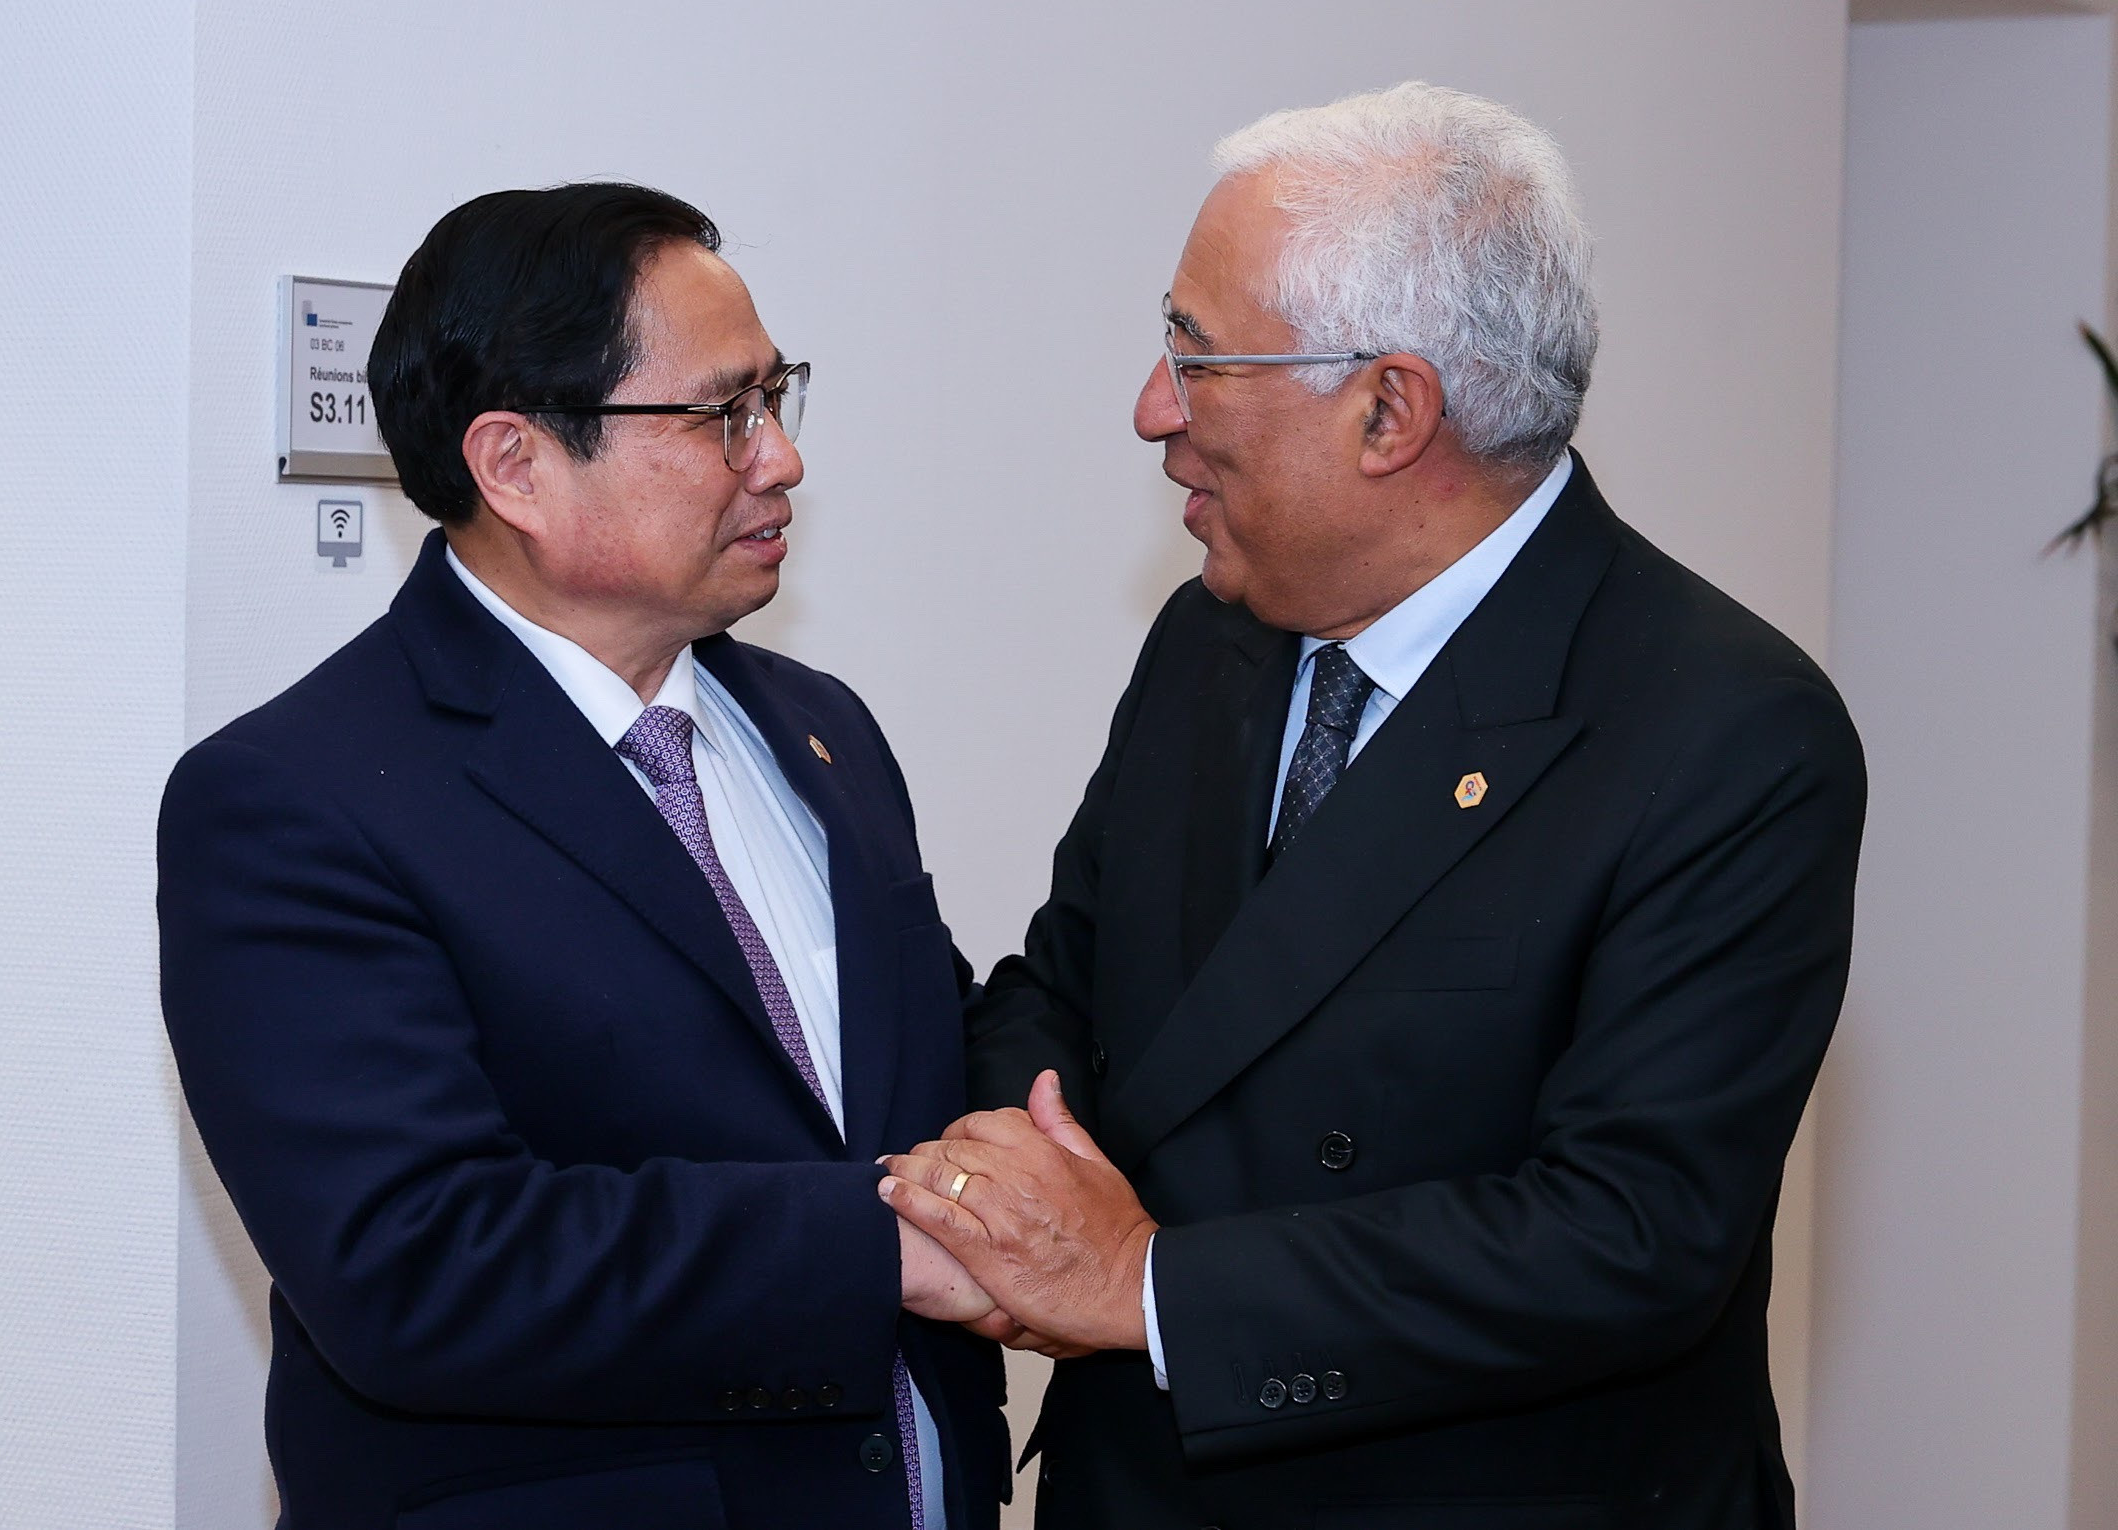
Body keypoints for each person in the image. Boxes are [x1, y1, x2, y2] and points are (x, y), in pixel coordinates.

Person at [882, 85, 1866, 1529]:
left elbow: (1629, 1233)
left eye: (1198, 355)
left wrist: (1144, 1286)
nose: (1153, 408)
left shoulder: (1724, 727)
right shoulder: (1211, 638)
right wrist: (1004, 1195)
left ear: (1389, 410)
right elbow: (1072, 988)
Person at [159, 182, 1006, 1530]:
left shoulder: (822, 729)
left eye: (776, 395)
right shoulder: (295, 801)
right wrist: (881, 1245)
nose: (781, 459)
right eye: (724, 414)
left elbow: (919, 1059)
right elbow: (419, 1266)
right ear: (516, 466)